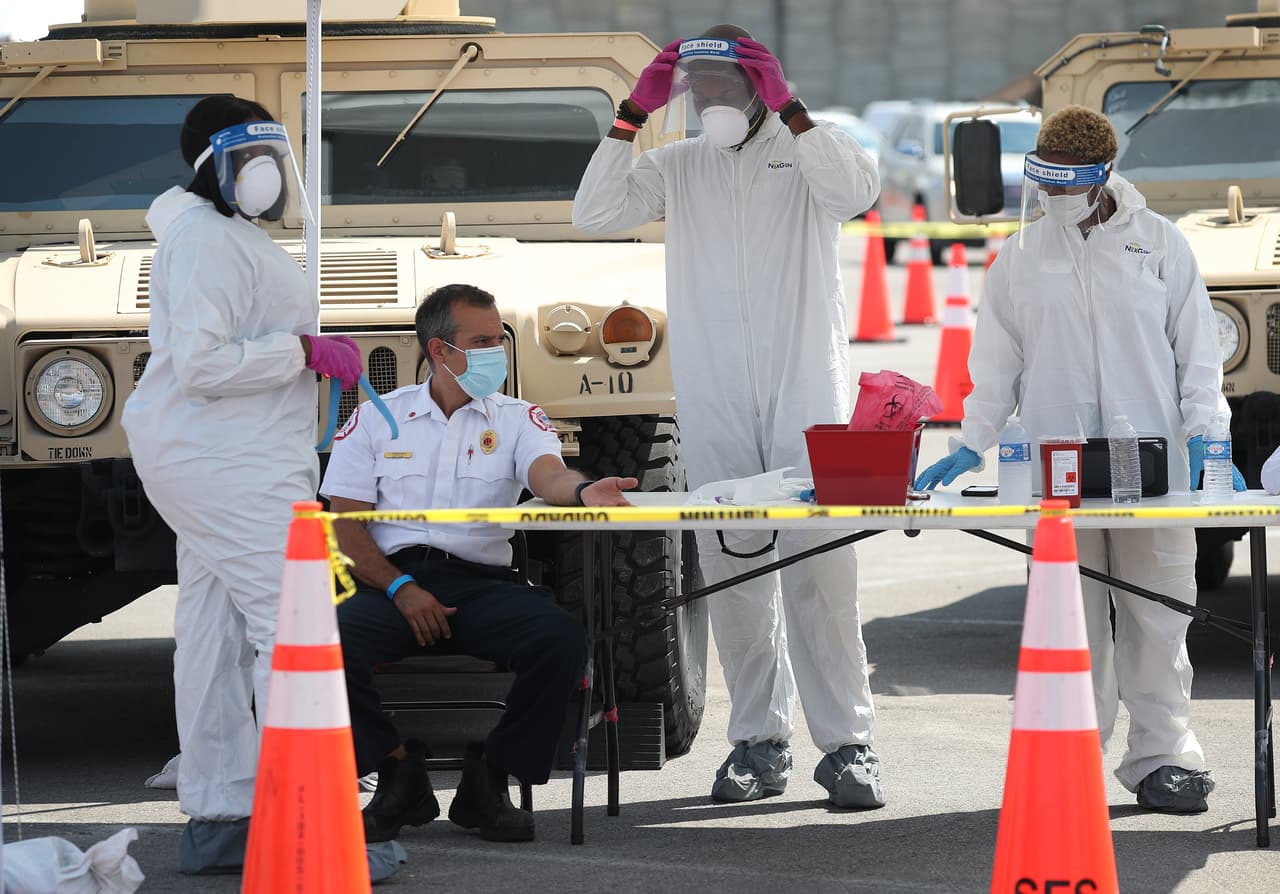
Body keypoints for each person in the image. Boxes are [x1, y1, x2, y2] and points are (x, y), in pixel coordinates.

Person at [572, 25, 886, 808]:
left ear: (758, 86)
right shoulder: (676, 165)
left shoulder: (813, 150)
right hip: (713, 392)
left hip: (806, 388)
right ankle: (757, 741)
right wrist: (626, 117)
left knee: (823, 570)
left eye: (725, 84)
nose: (710, 98)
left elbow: (855, 195)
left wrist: (797, 111)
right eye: (697, 87)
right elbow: (594, 211)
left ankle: (849, 746)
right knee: (734, 568)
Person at [915, 104, 1243, 813]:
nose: (1056, 200)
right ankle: (1069, 767)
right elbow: (995, 364)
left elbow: (1198, 358)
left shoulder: (1159, 244)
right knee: (1073, 625)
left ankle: (1163, 759)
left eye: (1070, 187)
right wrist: (972, 439)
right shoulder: (1020, 257)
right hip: (1058, 469)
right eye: (1045, 185)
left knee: (1160, 616)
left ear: (1103, 179)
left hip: (1151, 464)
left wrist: (1210, 439)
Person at [122, 95, 363, 872]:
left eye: (270, 156)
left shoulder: (221, 234)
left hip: (221, 455)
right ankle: (305, 824)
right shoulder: (203, 241)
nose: (262, 174)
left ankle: (224, 814)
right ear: (210, 166)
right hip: (224, 458)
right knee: (291, 626)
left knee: (213, 632)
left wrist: (300, 352)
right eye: (245, 159)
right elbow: (201, 365)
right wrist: (300, 353)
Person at [321, 283, 636, 843]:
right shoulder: (375, 419)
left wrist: (584, 491)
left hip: (482, 585)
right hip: (390, 585)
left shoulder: (519, 418)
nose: (498, 351)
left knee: (560, 640)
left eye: (500, 339)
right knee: (317, 643)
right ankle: (397, 773)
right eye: (483, 340)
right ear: (440, 351)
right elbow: (345, 526)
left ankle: (489, 780)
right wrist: (401, 590)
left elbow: (548, 475)